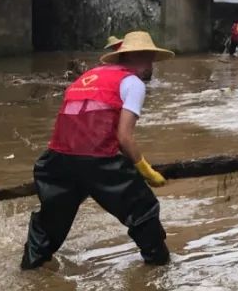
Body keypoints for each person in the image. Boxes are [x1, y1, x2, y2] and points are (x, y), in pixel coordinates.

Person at [20, 31, 173, 269]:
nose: (152, 66)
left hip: (55, 160)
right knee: (142, 208)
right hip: (98, 160)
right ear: (139, 57)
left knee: (50, 223)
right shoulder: (133, 83)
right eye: (150, 59)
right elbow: (123, 138)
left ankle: (30, 271)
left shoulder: (88, 76)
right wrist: (145, 169)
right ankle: (161, 269)